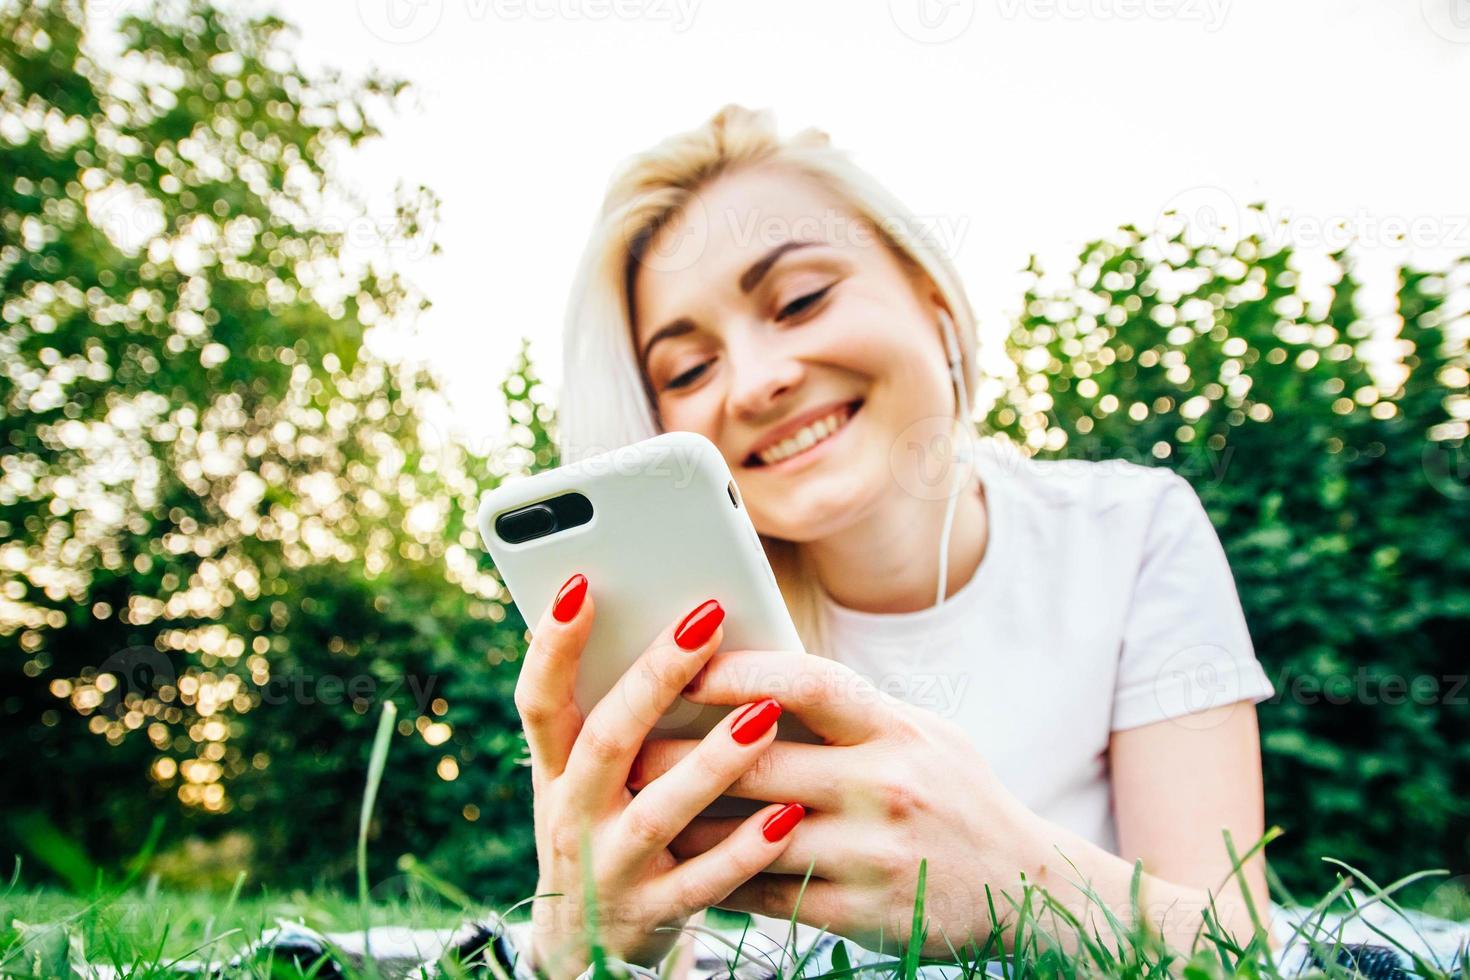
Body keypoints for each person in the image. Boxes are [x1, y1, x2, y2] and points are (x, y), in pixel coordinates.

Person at [505, 104, 1279, 980]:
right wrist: (572, 953)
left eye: (799, 300)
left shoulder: (1128, 530)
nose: (758, 382)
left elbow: (1235, 951)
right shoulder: (681, 638)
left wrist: (1011, 880)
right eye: (688, 369)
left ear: (930, 292)